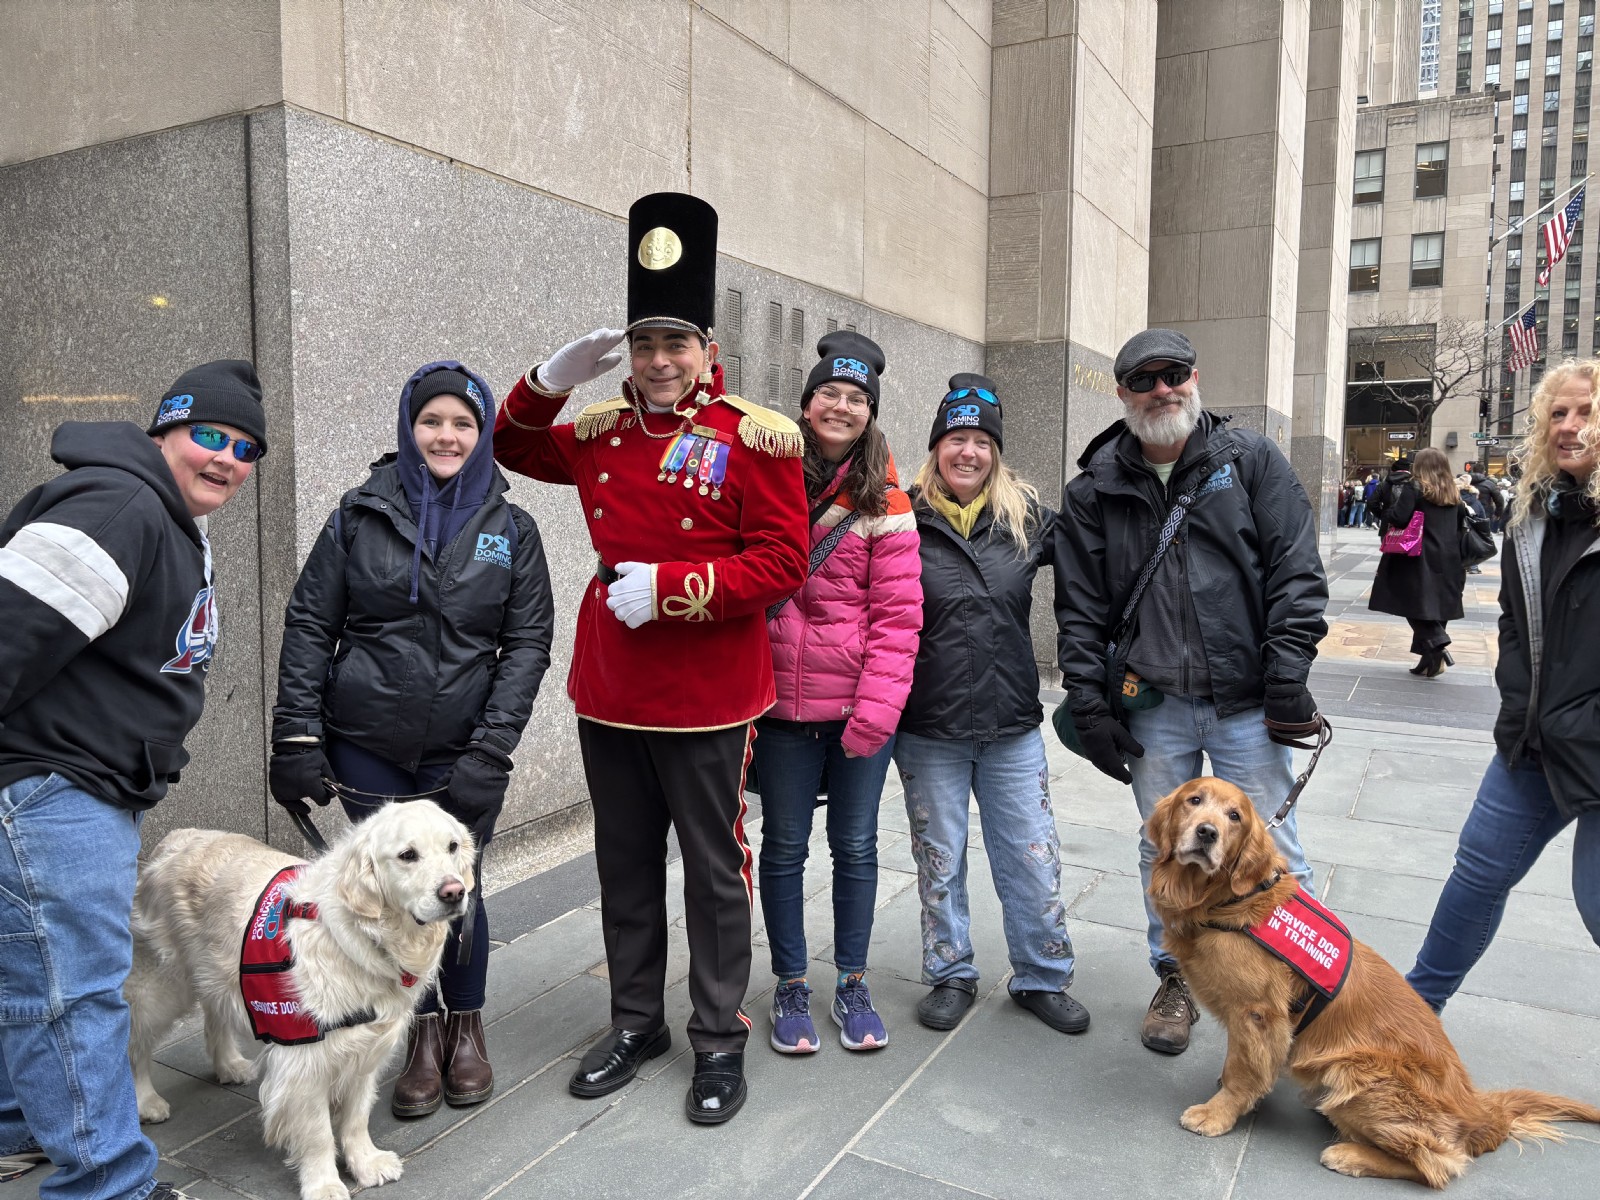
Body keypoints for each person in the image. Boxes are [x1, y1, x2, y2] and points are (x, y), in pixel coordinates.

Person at [493, 192, 809, 1124]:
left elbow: (783, 562)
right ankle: (637, 1022)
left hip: (708, 688)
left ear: (707, 349)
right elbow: (510, 444)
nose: (659, 362)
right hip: (614, 684)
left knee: (712, 871)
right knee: (624, 865)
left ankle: (718, 1037)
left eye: (675, 344)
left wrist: (676, 588)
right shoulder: (599, 432)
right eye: (644, 346)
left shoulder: (754, 436)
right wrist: (549, 378)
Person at [0, 362, 267, 1200]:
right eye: (210, 435)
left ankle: (17, 1129)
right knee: (76, 997)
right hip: (53, 788)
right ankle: (108, 1185)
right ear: (165, 431)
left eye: (247, 448)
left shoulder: (167, 516)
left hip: (82, 787)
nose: (227, 458)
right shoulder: (121, 506)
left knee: (40, 982)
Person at [270, 361, 554, 1118]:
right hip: (365, 742)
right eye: (432, 421)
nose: (446, 436)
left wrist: (492, 749)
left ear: (482, 434)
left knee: (457, 887)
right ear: (409, 427)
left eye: (463, 423)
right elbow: (311, 623)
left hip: (463, 750)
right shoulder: (358, 515)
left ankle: (466, 1024)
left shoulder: (513, 530)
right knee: (389, 890)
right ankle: (418, 1032)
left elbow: (527, 645)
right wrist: (295, 734)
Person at [1054, 327, 1327, 1057]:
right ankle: (1176, 975)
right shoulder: (1094, 488)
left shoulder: (1250, 460)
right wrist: (1090, 701)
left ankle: (1299, 987)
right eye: (1144, 380)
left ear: (1195, 377)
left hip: (1246, 701)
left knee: (1273, 849)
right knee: (1166, 847)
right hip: (1154, 705)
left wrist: (1287, 673)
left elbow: (1296, 569)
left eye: (1173, 374)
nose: (1162, 390)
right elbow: (1079, 608)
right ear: (1122, 392)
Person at [895, 374, 1090, 1037]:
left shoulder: (1027, 518)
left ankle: (1042, 974)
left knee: (1033, 857)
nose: (969, 452)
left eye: (982, 441)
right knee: (939, 860)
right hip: (929, 726)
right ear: (936, 447)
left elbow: (1100, 558)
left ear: (996, 452)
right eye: (956, 438)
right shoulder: (902, 516)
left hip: (1011, 726)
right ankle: (950, 972)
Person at [1407, 360, 1600, 1010]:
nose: (1569, 426)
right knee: (1477, 872)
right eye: (1558, 413)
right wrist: (1521, 701)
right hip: (1534, 740)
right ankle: (1411, 1017)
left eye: (1586, 412)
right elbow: (1515, 625)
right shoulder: (1533, 517)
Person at [756, 332, 922, 1055]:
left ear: (870, 413)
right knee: (783, 847)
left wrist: (878, 712)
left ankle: (852, 981)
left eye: (857, 399)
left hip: (858, 709)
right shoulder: (767, 478)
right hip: (779, 711)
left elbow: (898, 617)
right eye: (830, 392)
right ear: (806, 403)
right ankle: (790, 984)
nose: (842, 407)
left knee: (854, 847)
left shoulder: (886, 500)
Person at [1369, 447, 1465, 678]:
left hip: (1417, 555)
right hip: (1449, 556)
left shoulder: (1416, 487)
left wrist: (1387, 512)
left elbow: (1399, 518)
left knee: (1407, 600)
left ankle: (1438, 644)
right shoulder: (1453, 491)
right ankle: (1429, 659)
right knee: (1436, 604)